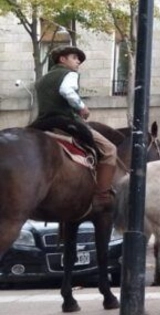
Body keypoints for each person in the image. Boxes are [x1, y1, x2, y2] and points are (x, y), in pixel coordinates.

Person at [34, 46, 118, 212]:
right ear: (62, 59)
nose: (78, 61)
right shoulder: (69, 74)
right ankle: (102, 195)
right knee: (110, 150)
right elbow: (66, 90)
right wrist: (82, 107)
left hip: (42, 123)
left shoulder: (42, 80)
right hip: (65, 122)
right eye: (74, 57)